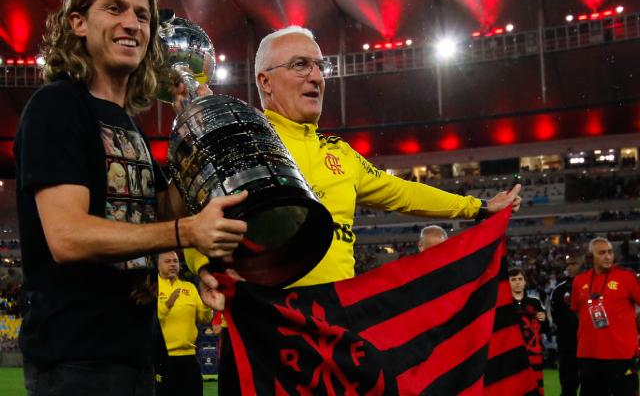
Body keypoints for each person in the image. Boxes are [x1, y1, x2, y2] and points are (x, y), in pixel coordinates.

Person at [182, 26, 523, 393]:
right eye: (300, 65)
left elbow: (401, 193)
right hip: (263, 321)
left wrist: (479, 207)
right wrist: (201, 266)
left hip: (334, 325)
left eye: (319, 66)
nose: (315, 76)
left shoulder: (340, 154)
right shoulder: (241, 140)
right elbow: (193, 213)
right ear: (265, 81)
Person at [13, 0, 249, 396]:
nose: (132, 24)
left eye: (143, 16)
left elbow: (167, 210)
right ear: (78, 23)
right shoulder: (58, 107)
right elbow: (66, 237)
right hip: (76, 360)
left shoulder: (129, 126)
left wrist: (193, 124)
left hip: (138, 352)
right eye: (115, 9)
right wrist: (188, 231)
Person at [571, 238, 640, 396]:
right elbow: (578, 311)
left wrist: (633, 326)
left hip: (621, 354)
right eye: (601, 253)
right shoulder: (580, 281)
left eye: (610, 252)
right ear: (591, 256)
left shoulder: (627, 277)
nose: (607, 256)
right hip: (588, 355)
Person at [156, 251, 212, 396]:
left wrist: (206, 305)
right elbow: (148, 321)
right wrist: (167, 305)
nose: (173, 264)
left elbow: (204, 319)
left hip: (189, 356)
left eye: (175, 261)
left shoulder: (190, 288)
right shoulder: (152, 288)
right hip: (162, 357)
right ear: (158, 265)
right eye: (167, 261)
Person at [509, 267, 549, 396]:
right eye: (513, 279)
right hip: (512, 351)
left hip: (532, 352)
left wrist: (543, 319)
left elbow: (546, 328)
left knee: (533, 385)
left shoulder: (535, 302)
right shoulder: (504, 304)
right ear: (508, 282)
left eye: (520, 279)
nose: (517, 282)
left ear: (525, 281)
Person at [550, 253, 585, 396]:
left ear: (582, 266)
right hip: (568, 346)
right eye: (568, 265)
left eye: (574, 264)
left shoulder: (593, 286)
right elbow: (556, 317)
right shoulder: (559, 291)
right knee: (568, 387)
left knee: (592, 387)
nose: (570, 268)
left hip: (590, 345)